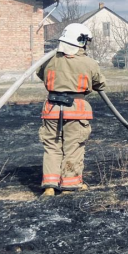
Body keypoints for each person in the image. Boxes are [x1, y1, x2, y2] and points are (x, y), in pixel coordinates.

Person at [36, 23, 107, 196]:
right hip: (76, 111)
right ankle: (69, 185)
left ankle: (50, 186)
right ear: (82, 41)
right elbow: (101, 83)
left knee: (52, 147)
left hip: (52, 109)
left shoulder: (50, 60)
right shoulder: (89, 63)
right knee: (73, 147)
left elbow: (39, 73)